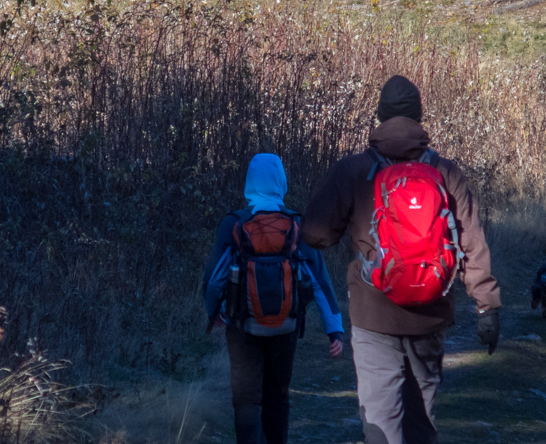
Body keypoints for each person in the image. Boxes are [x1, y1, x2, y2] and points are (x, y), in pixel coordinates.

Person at [302, 76, 501, 444]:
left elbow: (314, 233)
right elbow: (472, 241)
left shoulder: (353, 171)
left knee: (380, 420)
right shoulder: (445, 172)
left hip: (373, 313)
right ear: (419, 116)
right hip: (431, 313)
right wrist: (487, 307)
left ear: (379, 116)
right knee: (420, 420)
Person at [204, 153, 344, 444]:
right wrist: (334, 329)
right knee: (278, 397)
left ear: (249, 183)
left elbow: (215, 278)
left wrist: (213, 311)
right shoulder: (296, 224)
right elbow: (320, 280)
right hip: (286, 326)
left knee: (246, 399)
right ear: (281, 181)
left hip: (242, 326)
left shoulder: (233, 224)